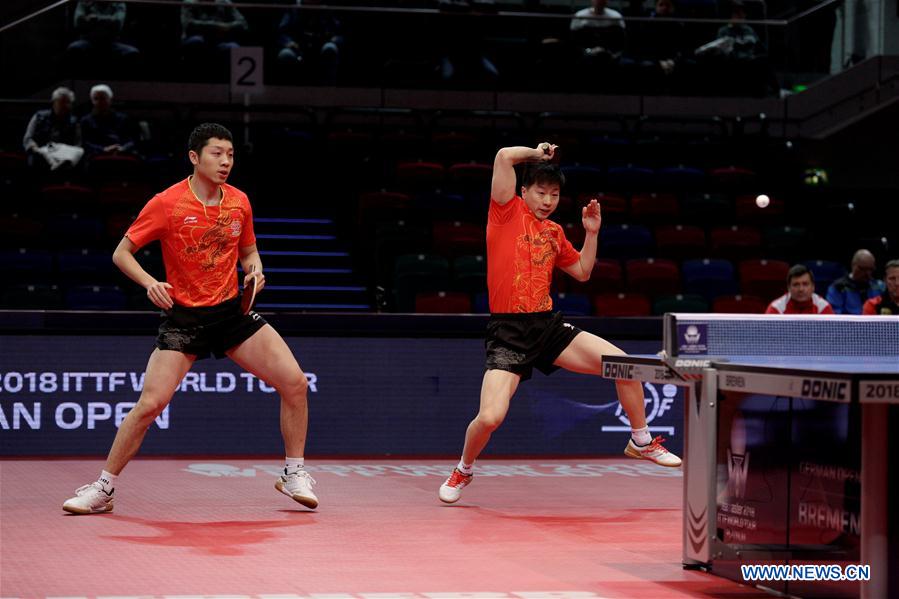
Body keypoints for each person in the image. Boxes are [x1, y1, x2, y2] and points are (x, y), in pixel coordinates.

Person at [62, 123, 318, 514]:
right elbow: (121, 253)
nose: (225, 161)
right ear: (194, 157)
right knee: (150, 405)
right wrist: (150, 283)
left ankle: (293, 473)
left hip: (231, 313)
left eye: (230, 155)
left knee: (295, 383)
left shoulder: (239, 202)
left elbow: (249, 252)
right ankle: (103, 489)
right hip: (185, 319)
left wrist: (255, 271)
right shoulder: (167, 203)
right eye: (217, 153)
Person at [438, 143, 681, 504]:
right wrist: (537, 154)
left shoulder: (553, 232)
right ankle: (464, 469)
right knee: (489, 418)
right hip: (508, 333)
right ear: (523, 191)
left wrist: (592, 233)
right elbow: (503, 156)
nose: (548, 200)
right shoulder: (504, 212)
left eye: (554, 194)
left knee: (625, 365)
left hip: (548, 327)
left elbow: (582, 271)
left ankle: (640, 440)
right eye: (541, 192)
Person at [277, 0, 344, 85]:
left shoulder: (326, 10)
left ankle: (327, 89)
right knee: (285, 54)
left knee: (330, 48)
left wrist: (331, 39)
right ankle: (290, 91)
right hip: (298, 50)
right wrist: (289, 42)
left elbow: (339, 33)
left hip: (321, 49)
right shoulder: (293, 9)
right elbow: (281, 32)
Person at [22, 87, 83, 172]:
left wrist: (67, 153)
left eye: (68, 102)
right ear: (54, 102)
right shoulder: (39, 117)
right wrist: (36, 149)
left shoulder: (74, 121)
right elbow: (28, 138)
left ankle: (59, 164)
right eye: (62, 102)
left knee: (79, 152)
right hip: (41, 152)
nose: (65, 106)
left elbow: (78, 144)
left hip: (63, 153)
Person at [66, 1, 139, 69]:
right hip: (88, 41)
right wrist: (109, 21)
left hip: (111, 43)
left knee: (132, 52)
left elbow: (118, 23)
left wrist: (93, 19)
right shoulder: (84, 2)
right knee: (74, 48)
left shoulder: (118, 3)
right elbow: (78, 22)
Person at [80, 84, 139, 159]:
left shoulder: (123, 119)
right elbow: (85, 143)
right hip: (97, 155)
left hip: (122, 154)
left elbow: (133, 140)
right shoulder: (86, 121)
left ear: (110, 99)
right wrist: (103, 149)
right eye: (96, 99)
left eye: (103, 98)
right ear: (92, 101)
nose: (99, 102)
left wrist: (123, 148)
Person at [570, 0, 627, 69]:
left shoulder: (615, 16)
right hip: (586, 51)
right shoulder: (580, 15)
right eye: (597, 1)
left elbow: (621, 39)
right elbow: (574, 38)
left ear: (606, 2)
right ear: (592, 1)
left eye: (602, 1)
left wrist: (612, 54)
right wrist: (588, 51)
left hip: (609, 52)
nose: (599, 2)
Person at [826, 249, 885, 314]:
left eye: (870, 269)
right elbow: (835, 314)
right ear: (853, 265)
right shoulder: (838, 288)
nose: (867, 273)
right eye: (863, 269)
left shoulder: (879, 286)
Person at [765, 264, 834, 315]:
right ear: (788, 287)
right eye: (796, 284)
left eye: (805, 284)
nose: (801, 289)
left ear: (813, 286)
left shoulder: (823, 307)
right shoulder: (776, 308)